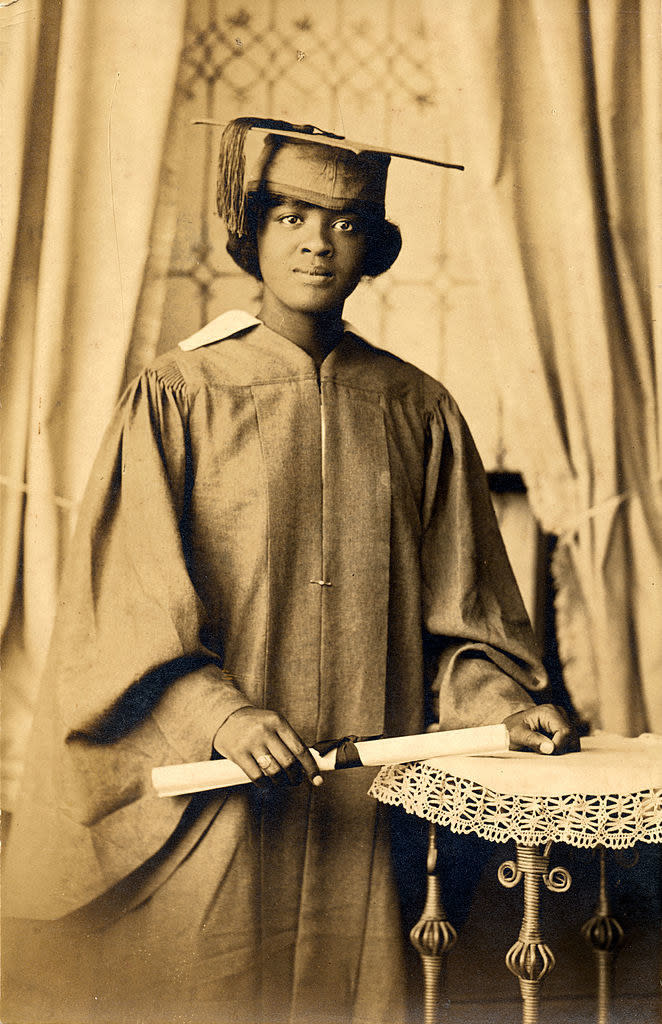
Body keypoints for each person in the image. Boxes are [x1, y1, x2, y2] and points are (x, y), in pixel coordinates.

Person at [3, 118, 577, 1024]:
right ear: (253, 229)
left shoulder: (417, 408)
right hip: (218, 794)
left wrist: (506, 709)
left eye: (347, 222)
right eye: (292, 215)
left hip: (361, 801)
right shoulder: (177, 396)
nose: (318, 241)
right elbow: (125, 606)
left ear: (375, 246)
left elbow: (465, 619)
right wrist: (218, 714)